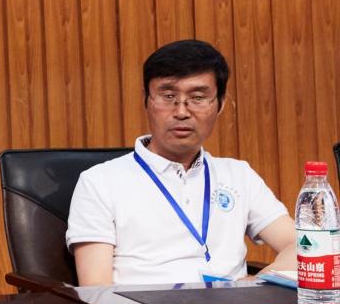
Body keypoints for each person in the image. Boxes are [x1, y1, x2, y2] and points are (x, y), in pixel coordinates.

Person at [67, 39, 296, 286]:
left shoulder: (239, 175)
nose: (181, 112)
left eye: (198, 97)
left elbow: (305, 246)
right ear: (146, 100)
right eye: (168, 96)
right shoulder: (99, 182)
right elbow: (96, 289)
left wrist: (252, 286)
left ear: (220, 104)